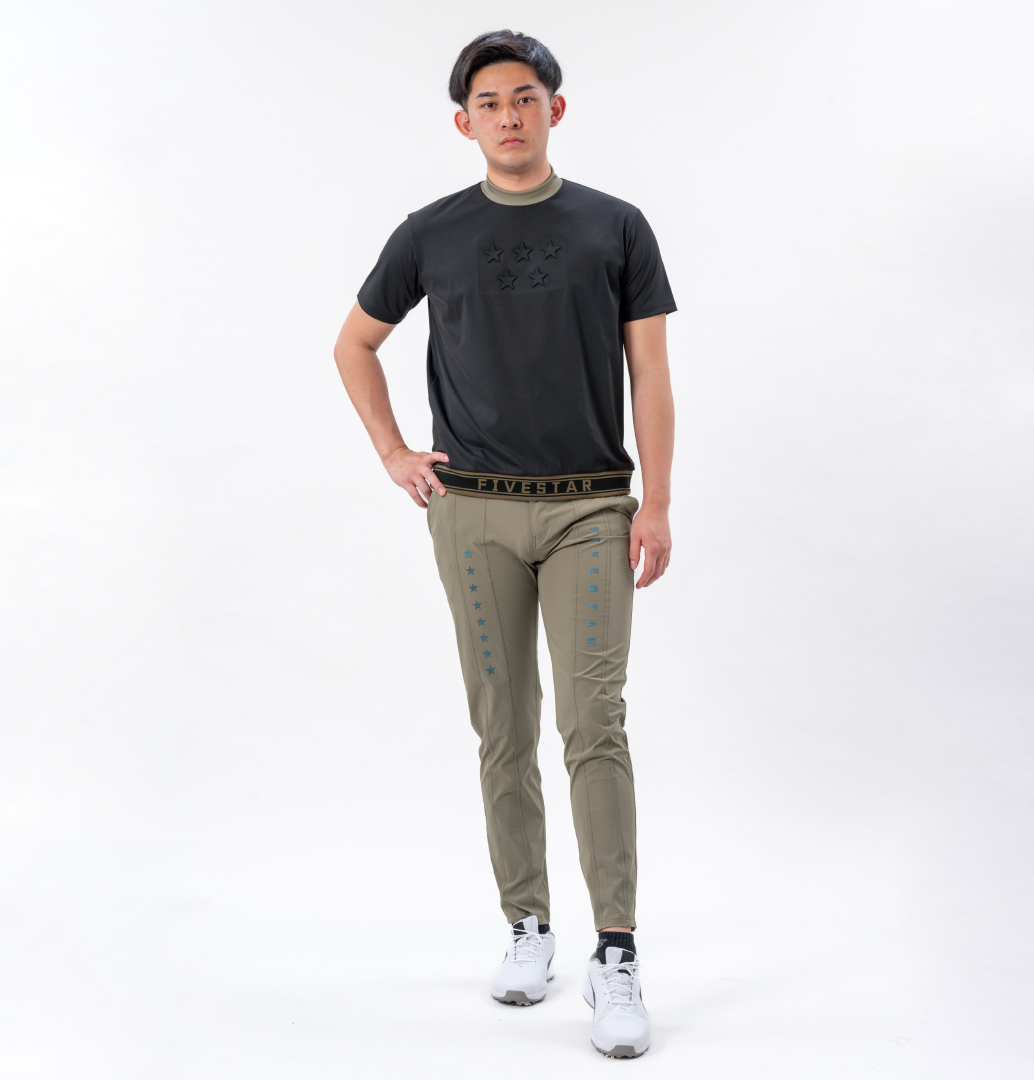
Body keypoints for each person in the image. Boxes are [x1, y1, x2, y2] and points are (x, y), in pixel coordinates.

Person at [333, 29, 675, 1059]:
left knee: (593, 722)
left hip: (589, 509)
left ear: (555, 109)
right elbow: (355, 343)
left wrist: (656, 503)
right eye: (489, 103)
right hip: (473, 511)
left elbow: (651, 374)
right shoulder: (430, 234)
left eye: (526, 97)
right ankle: (528, 925)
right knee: (503, 726)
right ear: (464, 122)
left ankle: (616, 953)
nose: (510, 115)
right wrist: (394, 451)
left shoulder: (615, 226)